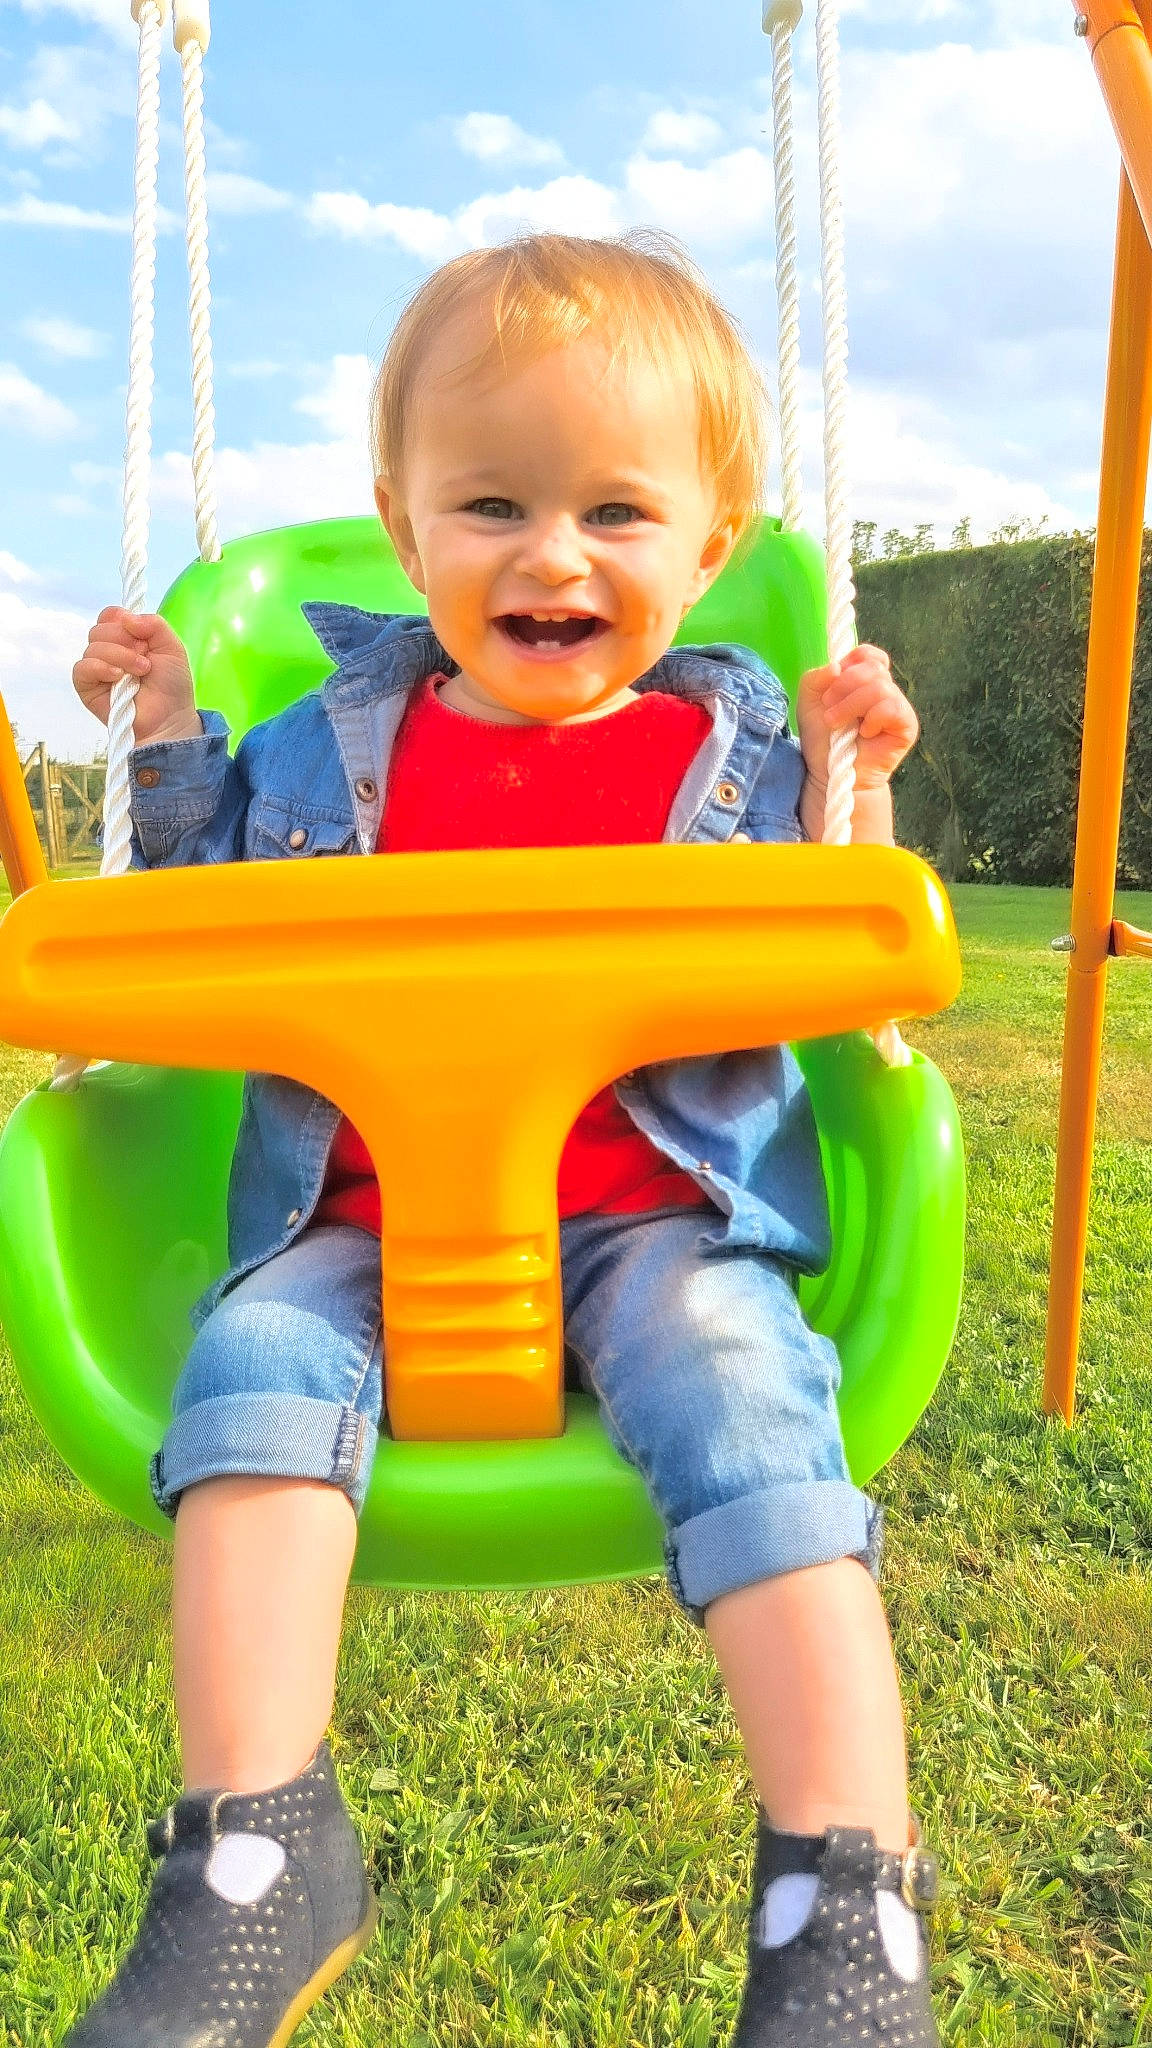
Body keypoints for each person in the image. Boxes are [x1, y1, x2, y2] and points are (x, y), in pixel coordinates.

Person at [65, 229, 941, 2048]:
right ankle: (253, 1850)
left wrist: (860, 775)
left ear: (710, 555)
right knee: (246, 1372)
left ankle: (845, 1896)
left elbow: (830, 927)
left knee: (752, 1399)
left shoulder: (733, 765)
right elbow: (200, 898)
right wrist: (164, 733)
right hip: (360, 1212)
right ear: (406, 532)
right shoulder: (322, 752)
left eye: (617, 514)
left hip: (654, 1221)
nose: (552, 552)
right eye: (491, 504)